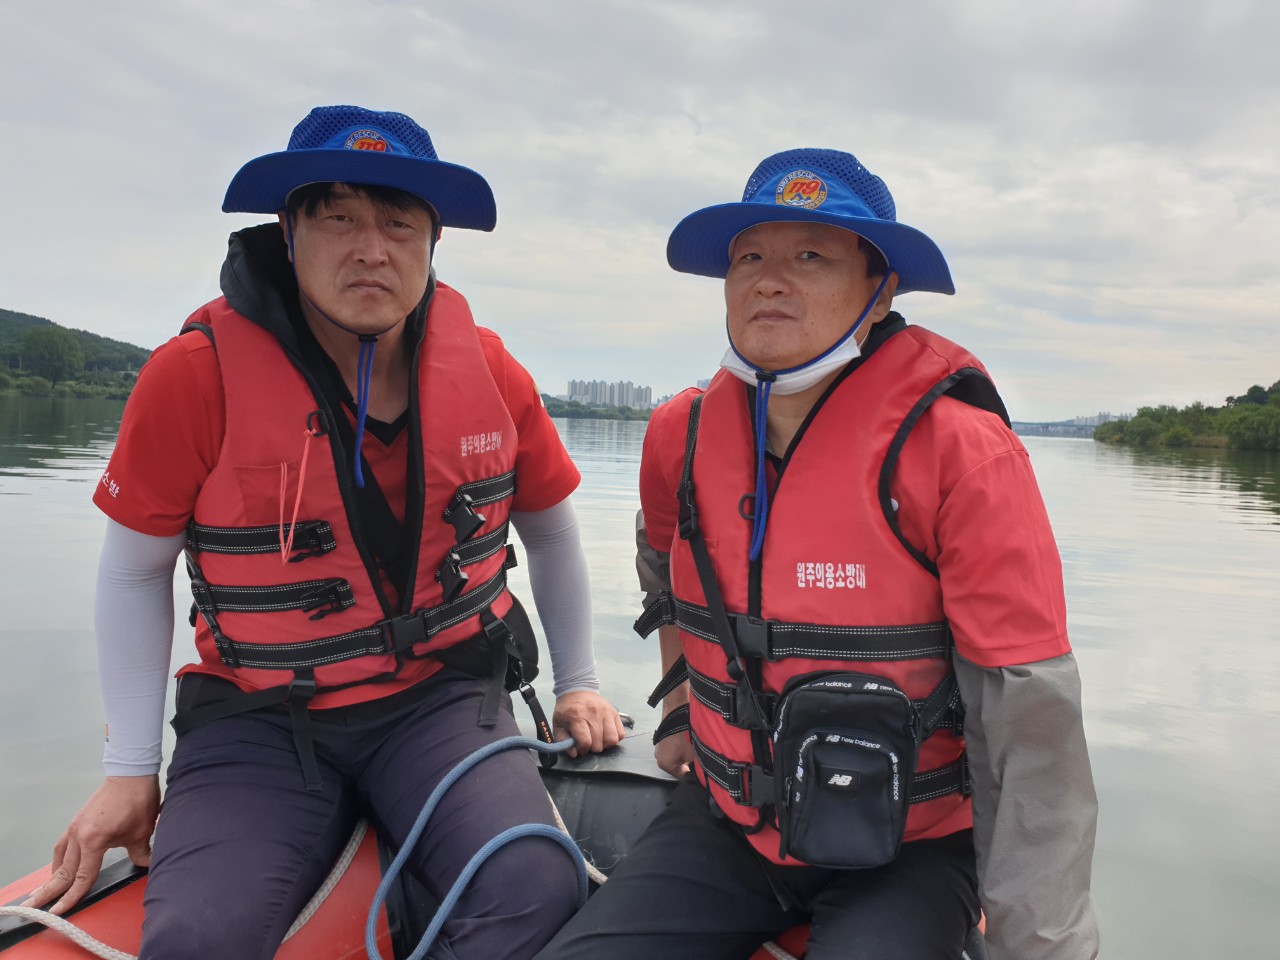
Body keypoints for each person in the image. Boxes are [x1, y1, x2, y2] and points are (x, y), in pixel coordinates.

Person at [24, 104, 625, 960]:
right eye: (338, 218)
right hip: (259, 718)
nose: (371, 249)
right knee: (196, 939)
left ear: (433, 243)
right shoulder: (193, 374)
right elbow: (132, 572)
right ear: (289, 232)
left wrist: (581, 683)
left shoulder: (490, 369)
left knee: (535, 884)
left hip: (442, 698)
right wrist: (129, 770)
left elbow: (554, 534)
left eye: (398, 223)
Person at [535, 149, 1099, 959]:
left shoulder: (964, 453)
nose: (770, 281)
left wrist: (1039, 944)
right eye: (749, 258)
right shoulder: (677, 436)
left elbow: (1030, 719)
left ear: (881, 291)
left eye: (810, 256)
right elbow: (664, 573)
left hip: (911, 848)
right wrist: (681, 708)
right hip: (727, 825)